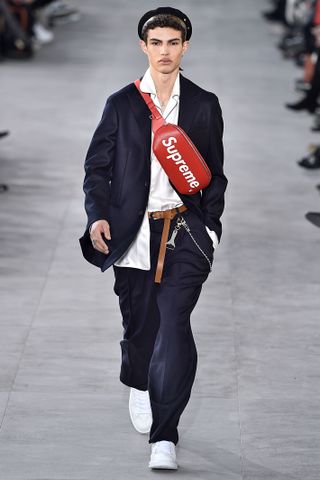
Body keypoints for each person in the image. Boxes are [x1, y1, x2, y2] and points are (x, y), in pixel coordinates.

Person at [79, 6, 227, 470]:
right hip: (134, 234)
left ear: (185, 46)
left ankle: (165, 435)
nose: (165, 51)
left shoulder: (203, 103)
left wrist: (212, 228)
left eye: (173, 42)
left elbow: (214, 175)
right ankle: (139, 383)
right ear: (143, 45)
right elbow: (97, 169)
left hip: (184, 230)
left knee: (174, 325)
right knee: (140, 327)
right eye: (156, 42)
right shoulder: (122, 103)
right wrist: (97, 216)